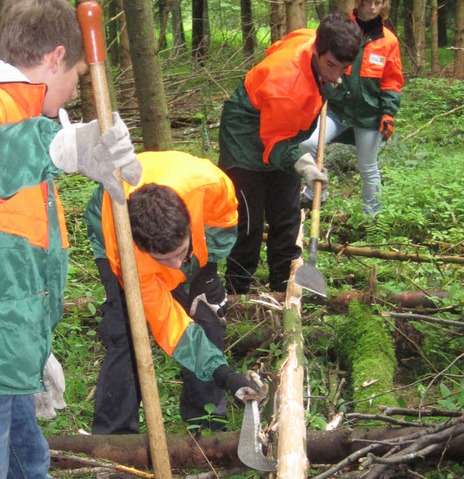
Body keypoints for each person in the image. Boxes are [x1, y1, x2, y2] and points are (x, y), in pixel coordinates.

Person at [0, 1, 142, 477]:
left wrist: (36, 349)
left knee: (29, 462)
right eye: (79, 74)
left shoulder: (19, 118)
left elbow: (16, 265)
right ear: (56, 57)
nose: (78, 86)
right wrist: (61, 145)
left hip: (4, 352)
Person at [84, 151, 265, 435]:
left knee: (206, 316)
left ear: (189, 224)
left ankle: (206, 423)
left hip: (183, 187)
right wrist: (223, 372)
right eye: (163, 260)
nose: (176, 266)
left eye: (180, 254)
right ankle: (115, 440)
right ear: (143, 249)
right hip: (107, 212)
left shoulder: (211, 186)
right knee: (128, 333)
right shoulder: (128, 258)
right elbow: (169, 323)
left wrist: (205, 272)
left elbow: (223, 221)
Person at [218, 13, 362, 295]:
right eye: (331, 65)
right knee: (249, 221)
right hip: (245, 135)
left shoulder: (310, 38)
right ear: (319, 51)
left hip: (281, 125)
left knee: (286, 214)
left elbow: (275, 48)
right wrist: (304, 164)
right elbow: (275, 147)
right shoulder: (287, 87)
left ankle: (284, 289)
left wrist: (323, 79)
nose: (336, 75)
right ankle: (237, 297)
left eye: (343, 67)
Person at [300, 0, 404, 215]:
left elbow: (392, 80)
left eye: (379, 3)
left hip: (369, 114)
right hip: (337, 108)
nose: (373, 8)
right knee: (307, 143)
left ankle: (372, 217)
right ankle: (316, 193)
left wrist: (388, 113)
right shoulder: (343, 29)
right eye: (369, 2)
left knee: (368, 167)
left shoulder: (388, 40)